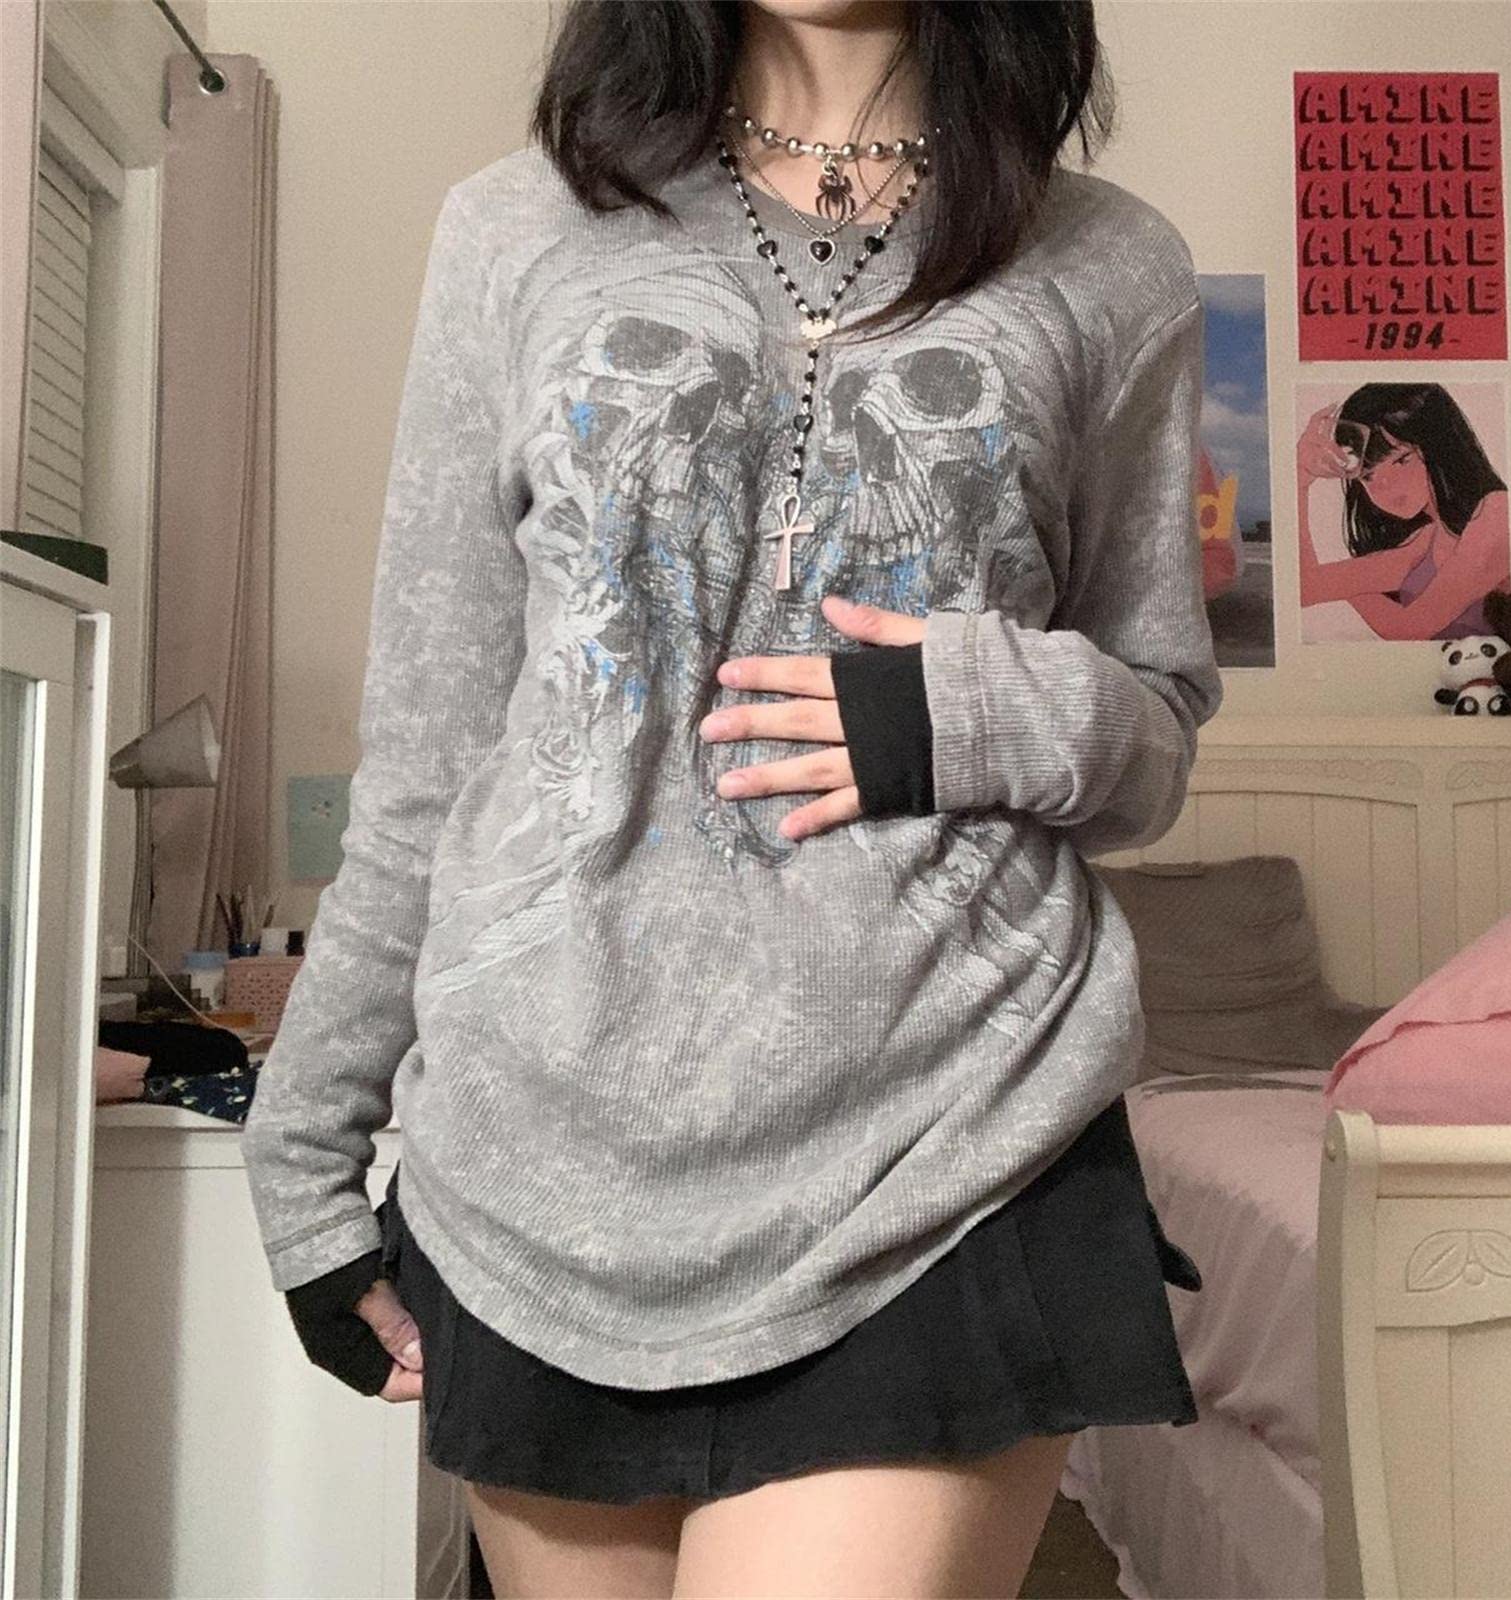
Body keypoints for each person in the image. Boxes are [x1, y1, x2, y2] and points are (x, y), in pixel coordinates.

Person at [240, 2, 1224, 1594]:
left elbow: (1157, 731)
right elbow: (430, 751)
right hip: (542, 1157)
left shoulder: (1112, 263)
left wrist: (971, 709)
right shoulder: (514, 228)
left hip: (944, 1140)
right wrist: (303, 1148)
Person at [1297, 383, 1511, 642]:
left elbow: (1410, 628)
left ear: (1440, 445)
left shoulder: (1496, 512)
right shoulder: (1428, 538)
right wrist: (1299, 480)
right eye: (1367, 476)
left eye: (1401, 460)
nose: (1385, 485)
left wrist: (1348, 587)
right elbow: (1306, 587)